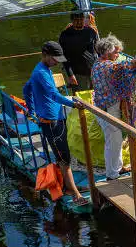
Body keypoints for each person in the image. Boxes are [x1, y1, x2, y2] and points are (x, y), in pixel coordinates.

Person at [23, 41, 88, 206]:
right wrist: (73, 104)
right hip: (51, 123)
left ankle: (68, 187)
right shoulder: (41, 73)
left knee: (64, 154)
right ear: (45, 54)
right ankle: (75, 194)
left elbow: (26, 88)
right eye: (54, 58)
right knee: (63, 158)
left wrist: (32, 109)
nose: (57, 62)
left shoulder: (43, 69)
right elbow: (53, 94)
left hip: (56, 119)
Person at [91, 34, 136, 180]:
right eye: (116, 52)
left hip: (105, 106)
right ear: (107, 52)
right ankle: (112, 175)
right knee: (113, 141)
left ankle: (117, 167)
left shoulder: (97, 63)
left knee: (115, 140)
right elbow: (127, 66)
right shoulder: (106, 66)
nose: (118, 54)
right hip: (107, 110)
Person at [59, 12, 99, 91]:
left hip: (93, 70)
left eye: (81, 19)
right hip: (77, 73)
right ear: (72, 20)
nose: (79, 22)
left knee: (96, 95)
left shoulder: (91, 31)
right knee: (81, 99)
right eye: (76, 20)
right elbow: (61, 56)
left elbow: (97, 49)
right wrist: (70, 74)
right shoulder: (65, 34)